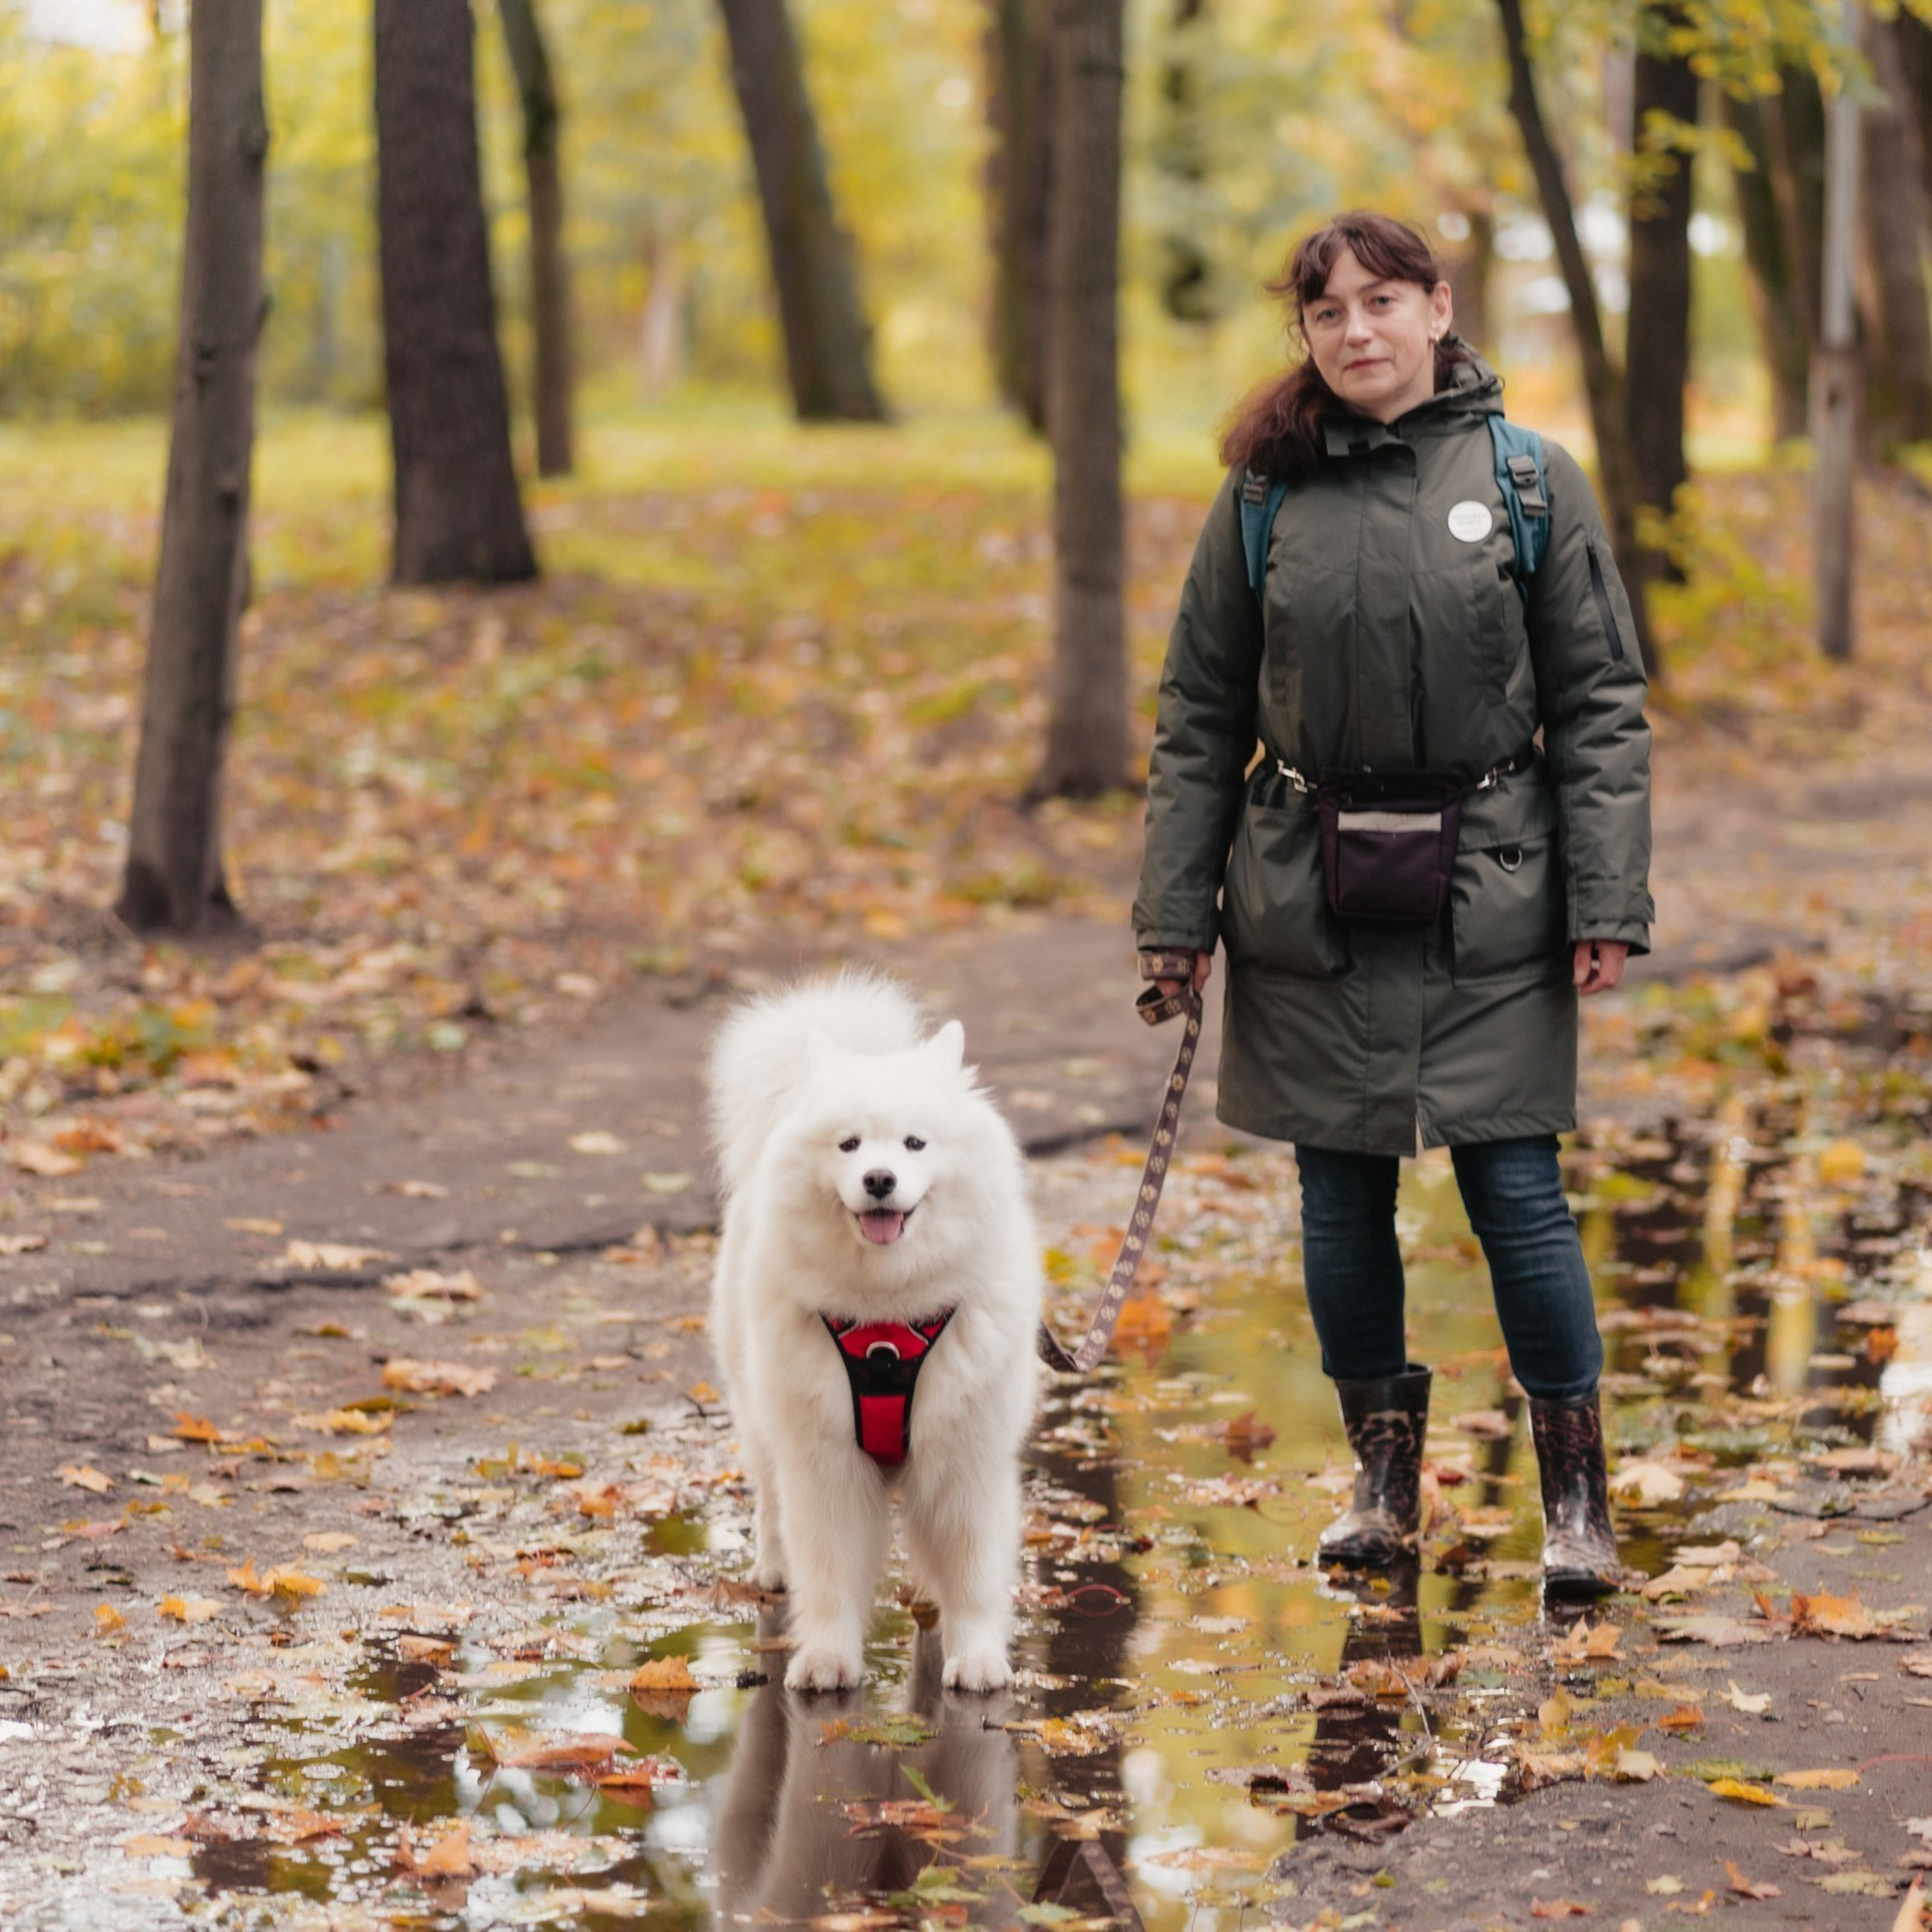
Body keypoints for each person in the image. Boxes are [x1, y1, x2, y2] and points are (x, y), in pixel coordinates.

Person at [1133, 211, 1653, 1598]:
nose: (1356, 330)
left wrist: (1606, 895)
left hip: (1494, 882)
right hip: (1308, 887)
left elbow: (1602, 702)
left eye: (1381, 301)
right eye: (1327, 313)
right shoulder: (1261, 498)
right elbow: (1198, 715)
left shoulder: (1533, 481)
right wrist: (1174, 920)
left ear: (1437, 306)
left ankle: (1579, 1504)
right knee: (1339, 1195)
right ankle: (1380, 1483)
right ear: (1304, 336)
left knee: (1515, 1188)